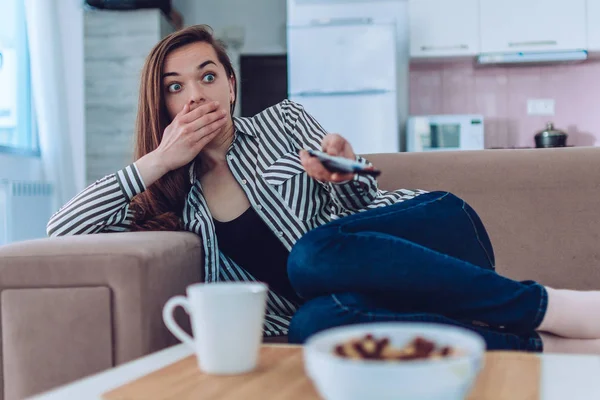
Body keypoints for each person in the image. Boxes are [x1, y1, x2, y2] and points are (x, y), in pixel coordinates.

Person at [48, 25, 600, 353]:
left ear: (231, 84)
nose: (196, 94)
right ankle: (533, 346)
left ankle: (547, 305)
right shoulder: (180, 205)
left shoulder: (284, 120)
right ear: (162, 106)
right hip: (361, 306)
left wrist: (345, 168)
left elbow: (359, 197)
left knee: (312, 256)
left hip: (435, 234)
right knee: (311, 326)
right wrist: (162, 160)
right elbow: (61, 229)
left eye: (208, 75)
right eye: (176, 87)